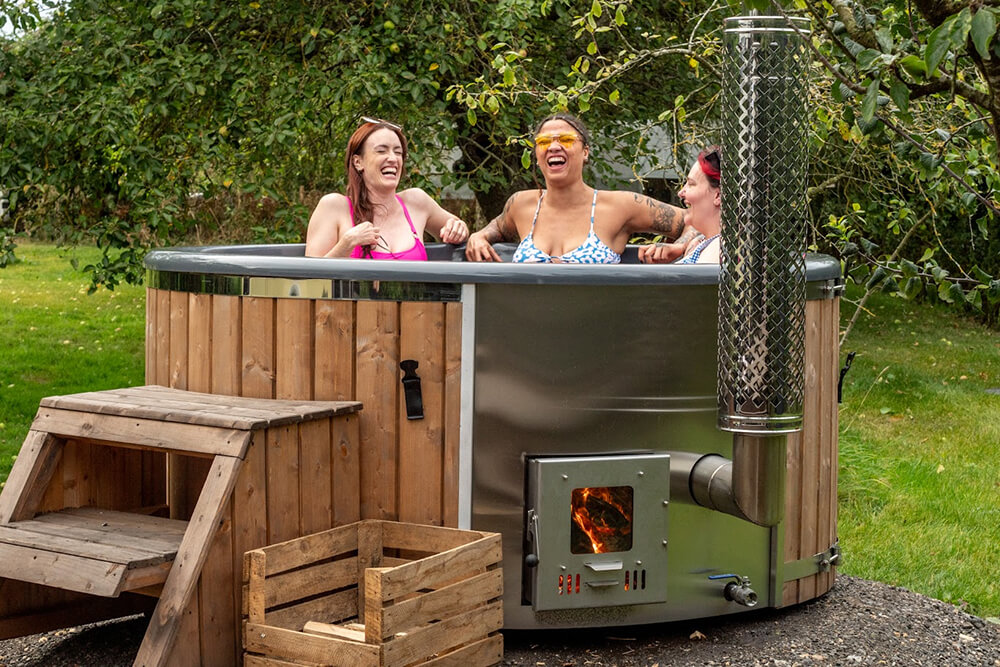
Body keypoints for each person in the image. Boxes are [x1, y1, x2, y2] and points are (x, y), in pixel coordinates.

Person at [464, 113, 699, 263]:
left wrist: (678, 249)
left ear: (585, 152)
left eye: (565, 140)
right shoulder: (521, 204)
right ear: (536, 155)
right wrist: (480, 235)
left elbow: (695, 220)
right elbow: (498, 226)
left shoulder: (621, 206)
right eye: (544, 142)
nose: (554, 147)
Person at [305, 118, 469, 259]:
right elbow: (308, 280)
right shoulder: (333, 206)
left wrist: (459, 229)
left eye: (398, 153)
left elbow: (457, 227)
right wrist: (347, 243)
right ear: (358, 162)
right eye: (381, 151)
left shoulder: (416, 201)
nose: (393, 158)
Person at [637, 146, 721, 264]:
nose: (680, 193)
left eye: (691, 184)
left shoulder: (717, 250)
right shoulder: (701, 242)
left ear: (718, 196)